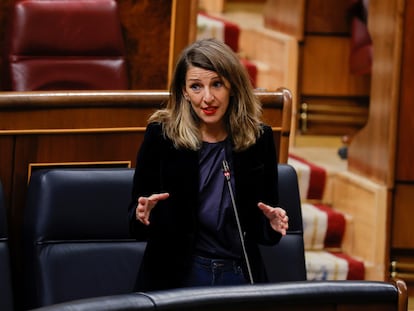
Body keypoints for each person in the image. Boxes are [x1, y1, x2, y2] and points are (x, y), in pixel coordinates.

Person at [128, 38, 289, 291]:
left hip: (238, 275)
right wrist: (141, 216)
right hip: (177, 277)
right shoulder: (162, 137)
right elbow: (135, 225)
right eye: (196, 86)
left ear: (233, 87)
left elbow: (262, 230)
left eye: (217, 84)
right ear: (184, 91)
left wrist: (270, 225)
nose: (207, 98)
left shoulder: (258, 139)